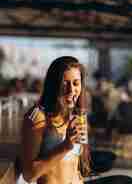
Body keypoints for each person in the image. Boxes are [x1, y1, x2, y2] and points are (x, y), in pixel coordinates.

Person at [21, 56, 91, 184]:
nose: (71, 90)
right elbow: (28, 175)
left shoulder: (76, 115)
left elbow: (75, 168)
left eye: (76, 83)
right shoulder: (37, 117)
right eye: (65, 83)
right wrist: (65, 146)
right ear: (53, 85)